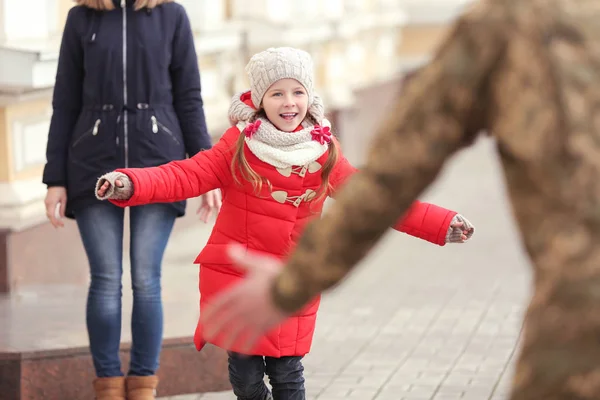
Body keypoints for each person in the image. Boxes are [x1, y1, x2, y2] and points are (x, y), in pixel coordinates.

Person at [199, 1, 600, 399]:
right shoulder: (239, 144)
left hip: (577, 324)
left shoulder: (509, 24)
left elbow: (391, 179)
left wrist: (292, 284)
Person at [94, 46, 475, 400]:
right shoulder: (238, 144)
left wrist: (440, 224)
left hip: (292, 276)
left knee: (287, 371)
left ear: (309, 96)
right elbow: (186, 175)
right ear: (260, 100)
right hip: (237, 275)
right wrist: (130, 183)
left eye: (297, 91)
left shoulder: (324, 150)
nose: (289, 102)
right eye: (277, 93)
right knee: (244, 375)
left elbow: (373, 199)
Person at [41, 0, 220, 398]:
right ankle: (107, 384)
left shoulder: (171, 15)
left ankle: (143, 384)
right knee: (105, 281)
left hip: (158, 166)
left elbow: (189, 97)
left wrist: (206, 170)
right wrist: (55, 177)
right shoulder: (82, 17)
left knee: (145, 279)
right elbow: (64, 100)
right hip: (92, 165)